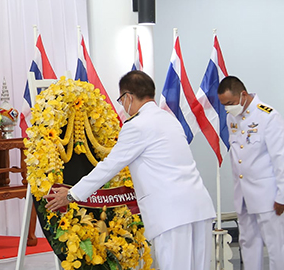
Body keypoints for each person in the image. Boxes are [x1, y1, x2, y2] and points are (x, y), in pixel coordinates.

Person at [47, 70, 215, 270]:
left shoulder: (137, 125)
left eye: (121, 100)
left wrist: (72, 194)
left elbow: (109, 166)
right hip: (199, 208)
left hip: (172, 215)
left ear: (128, 97)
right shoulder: (170, 119)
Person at [217, 75, 284, 270]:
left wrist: (282, 194)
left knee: (275, 246)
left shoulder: (268, 116)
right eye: (224, 105)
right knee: (247, 243)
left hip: (268, 196)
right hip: (244, 195)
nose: (227, 108)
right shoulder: (232, 118)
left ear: (243, 95)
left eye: (229, 103)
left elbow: (280, 158)